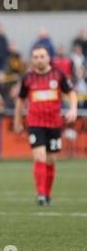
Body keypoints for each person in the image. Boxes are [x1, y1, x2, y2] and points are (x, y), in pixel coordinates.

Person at [14, 45, 77, 206]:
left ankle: (47, 194)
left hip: (54, 124)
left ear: (49, 58)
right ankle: (41, 194)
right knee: (39, 156)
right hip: (35, 123)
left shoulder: (58, 75)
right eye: (35, 57)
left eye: (42, 56)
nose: (39, 59)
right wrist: (17, 121)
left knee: (51, 160)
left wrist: (73, 109)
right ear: (32, 60)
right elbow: (21, 100)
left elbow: (71, 93)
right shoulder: (28, 78)